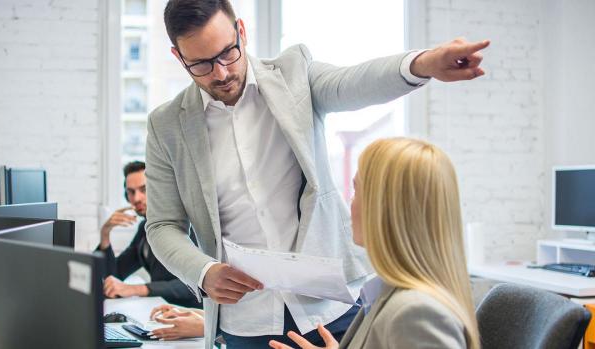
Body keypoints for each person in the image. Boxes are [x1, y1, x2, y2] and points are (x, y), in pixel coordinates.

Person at [144, 0, 489, 347]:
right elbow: (162, 225)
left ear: (241, 33)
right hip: (247, 321)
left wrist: (424, 63)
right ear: (179, 58)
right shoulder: (166, 125)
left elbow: (352, 82)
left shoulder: (294, 73)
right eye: (201, 64)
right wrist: (203, 272)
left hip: (332, 305)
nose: (220, 73)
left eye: (227, 53)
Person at [269, 138, 480, 349]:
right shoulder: (388, 294)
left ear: (385, 208)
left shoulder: (416, 312)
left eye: (356, 190)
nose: (350, 202)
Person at [96, 161, 201, 308]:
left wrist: (136, 289)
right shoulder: (144, 229)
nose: (137, 198)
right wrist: (105, 233)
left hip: (191, 316)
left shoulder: (186, 225)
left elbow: (197, 283)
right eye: (131, 192)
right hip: (161, 311)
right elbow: (115, 274)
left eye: (144, 189)